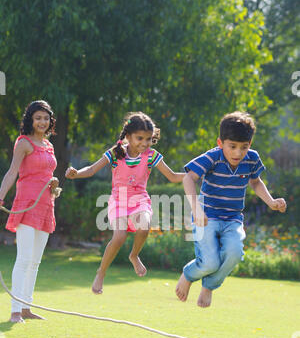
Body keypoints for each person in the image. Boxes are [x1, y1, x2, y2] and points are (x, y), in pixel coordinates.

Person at [176, 111, 287, 308]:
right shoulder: (213, 157)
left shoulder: (251, 159)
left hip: (233, 219)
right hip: (207, 216)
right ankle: (188, 274)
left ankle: (209, 286)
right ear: (221, 143)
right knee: (210, 263)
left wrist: (270, 201)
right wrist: (197, 210)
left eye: (243, 147)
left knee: (235, 253)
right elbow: (188, 178)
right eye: (232, 147)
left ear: (250, 144)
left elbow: (256, 182)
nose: (238, 153)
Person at [65, 111, 184, 294]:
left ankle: (134, 255)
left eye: (148, 139)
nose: (144, 143)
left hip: (140, 199)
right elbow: (92, 169)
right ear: (128, 136)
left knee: (144, 227)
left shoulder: (152, 156)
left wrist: (195, 174)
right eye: (140, 138)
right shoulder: (115, 153)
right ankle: (101, 273)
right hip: (119, 200)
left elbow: (173, 176)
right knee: (119, 237)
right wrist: (77, 173)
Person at [0, 100, 59, 323]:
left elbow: (45, 173)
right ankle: (15, 311)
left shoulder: (49, 145)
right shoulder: (23, 143)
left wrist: (54, 184)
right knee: (23, 259)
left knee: (35, 261)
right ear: (30, 120)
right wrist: (1, 195)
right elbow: (12, 171)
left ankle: (26, 307)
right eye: (38, 118)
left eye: (46, 118)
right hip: (26, 204)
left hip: (46, 205)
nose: (42, 122)